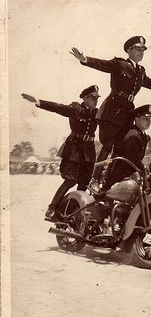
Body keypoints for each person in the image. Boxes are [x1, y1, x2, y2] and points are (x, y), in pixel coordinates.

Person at [70, 36, 151, 189]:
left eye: (143, 50)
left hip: (127, 113)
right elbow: (102, 65)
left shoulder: (140, 71)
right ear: (129, 50)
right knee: (108, 145)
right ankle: (94, 180)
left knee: (122, 148)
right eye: (138, 49)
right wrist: (84, 59)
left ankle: (111, 183)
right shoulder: (119, 64)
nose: (141, 52)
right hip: (112, 111)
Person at [21, 85, 100, 221]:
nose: (96, 101)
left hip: (88, 152)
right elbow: (57, 107)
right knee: (70, 180)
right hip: (74, 151)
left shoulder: (97, 113)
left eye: (97, 98)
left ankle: (73, 214)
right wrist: (38, 101)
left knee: (84, 185)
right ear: (85, 98)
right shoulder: (75, 109)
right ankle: (51, 208)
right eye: (93, 98)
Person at [105, 104, 151, 189]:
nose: (148, 121)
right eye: (146, 119)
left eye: (149, 119)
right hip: (121, 176)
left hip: (132, 175)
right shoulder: (133, 135)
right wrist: (145, 171)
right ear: (137, 119)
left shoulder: (141, 135)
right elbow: (133, 159)